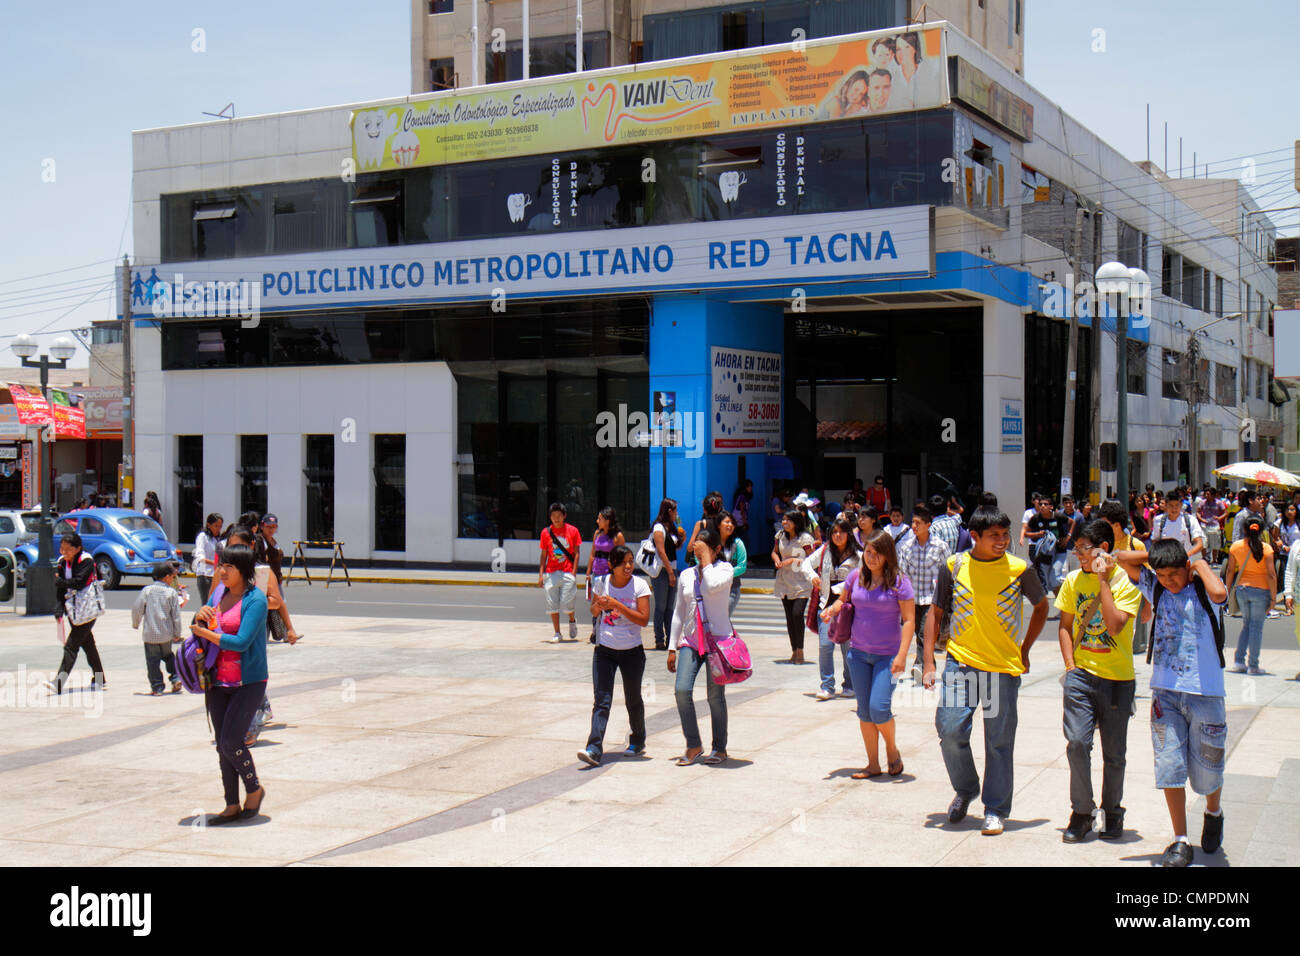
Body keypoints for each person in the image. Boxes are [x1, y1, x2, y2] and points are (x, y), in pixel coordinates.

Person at [922, 503, 1050, 836]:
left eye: (1005, 534)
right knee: (949, 730)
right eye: (994, 535)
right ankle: (965, 789)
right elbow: (935, 613)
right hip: (960, 663)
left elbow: (1041, 607)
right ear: (974, 536)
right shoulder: (955, 565)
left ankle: (995, 809)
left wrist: (1024, 650)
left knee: (999, 742)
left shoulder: (1020, 569)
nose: (1002, 541)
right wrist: (928, 660)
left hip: (1002, 670)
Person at [1112, 539, 1228, 867]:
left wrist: (1196, 562)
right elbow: (1121, 558)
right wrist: (1163, 557)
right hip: (1165, 695)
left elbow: (1220, 594)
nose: (1167, 581)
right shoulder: (1157, 589)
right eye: (1160, 575)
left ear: (1188, 570)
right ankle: (1180, 840)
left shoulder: (1204, 590)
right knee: (1169, 766)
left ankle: (1213, 811)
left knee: (1207, 771)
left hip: (1206, 695)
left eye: (1174, 574)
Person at [1054, 520, 1143, 843]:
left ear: (1103, 550)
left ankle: (1112, 811)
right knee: (1077, 743)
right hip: (1082, 676)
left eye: (1083, 548)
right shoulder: (1073, 581)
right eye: (1076, 548)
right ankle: (1081, 811)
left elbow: (1116, 626)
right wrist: (1070, 665)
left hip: (1118, 680)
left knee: (1114, 754)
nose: (1077, 554)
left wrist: (1104, 581)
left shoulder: (1127, 585)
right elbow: (1064, 625)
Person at [824, 529, 915, 778]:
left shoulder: (899, 582)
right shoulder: (856, 577)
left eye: (877, 554)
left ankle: (892, 749)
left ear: (887, 555)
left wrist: (902, 655)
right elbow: (843, 601)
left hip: (887, 657)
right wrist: (831, 610)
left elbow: (908, 621)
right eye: (869, 553)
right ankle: (873, 765)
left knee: (879, 709)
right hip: (859, 655)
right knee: (864, 713)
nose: (871, 558)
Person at [189, 543, 269, 824]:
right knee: (221, 745)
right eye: (220, 565)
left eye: (229, 566)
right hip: (217, 681)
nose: (221, 571)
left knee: (231, 741)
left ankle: (255, 789)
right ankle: (231, 804)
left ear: (244, 571)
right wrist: (199, 616)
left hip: (248, 681)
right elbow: (201, 622)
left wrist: (205, 633)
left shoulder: (255, 600)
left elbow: (242, 642)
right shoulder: (218, 594)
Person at [578, 544, 651, 767]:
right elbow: (592, 611)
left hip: (632, 651)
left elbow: (643, 619)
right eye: (623, 563)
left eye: (631, 562)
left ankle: (638, 740)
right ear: (612, 565)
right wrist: (599, 607)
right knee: (602, 700)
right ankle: (594, 748)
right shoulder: (602, 583)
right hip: (605, 651)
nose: (628, 566)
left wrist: (617, 604)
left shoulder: (640, 585)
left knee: (633, 699)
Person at [668, 528, 734, 766]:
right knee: (682, 690)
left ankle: (720, 748)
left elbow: (713, 585)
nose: (699, 552)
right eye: (697, 547)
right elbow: (678, 612)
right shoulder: (686, 575)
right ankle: (694, 743)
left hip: (718, 642)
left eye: (704, 547)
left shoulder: (724, 570)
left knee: (715, 696)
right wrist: (672, 647)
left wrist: (706, 559)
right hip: (691, 641)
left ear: (717, 549)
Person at [802, 517, 860, 700]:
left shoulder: (858, 555)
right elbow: (805, 564)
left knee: (847, 648)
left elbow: (860, 580)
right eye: (834, 532)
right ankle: (827, 686)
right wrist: (812, 577)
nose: (837, 535)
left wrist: (838, 589)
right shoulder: (825, 550)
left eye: (841, 532)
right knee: (825, 646)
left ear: (848, 534)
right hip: (825, 606)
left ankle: (850, 685)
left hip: (847, 608)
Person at [46, 532, 106, 695]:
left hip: (88, 608)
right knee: (88, 645)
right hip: (73, 609)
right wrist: (58, 607)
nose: (63, 552)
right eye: (61, 548)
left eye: (67, 549)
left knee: (71, 646)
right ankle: (100, 679)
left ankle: (58, 682)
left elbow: (79, 582)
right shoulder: (61, 562)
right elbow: (61, 588)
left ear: (78, 548)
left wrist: (61, 582)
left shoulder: (86, 560)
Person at [898, 502, 951, 680]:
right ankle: (929, 665)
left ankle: (921, 667)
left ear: (928, 525)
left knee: (924, 633)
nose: (914, 526)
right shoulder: (906, 547)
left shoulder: (940, 547)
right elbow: (902, 574)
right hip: (912, 600)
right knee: (919, 634)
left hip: (932, 599)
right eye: (913, 522)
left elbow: (948, 572)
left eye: (918, 523)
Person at [1223, 516, 1275, 675]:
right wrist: (1273, 598)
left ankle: (1239, 661)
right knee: (1256, 628)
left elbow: (1230, 570)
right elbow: (1271, 574)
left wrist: (1228, 589)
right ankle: (1253, 665)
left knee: (1246, 624)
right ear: (1261, 530)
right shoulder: (1266, 548)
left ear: (1244, 529)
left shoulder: (1236, 547)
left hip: (1242, 589)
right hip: (1261, 590)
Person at [132, 560, 185, 696]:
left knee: (152, 661)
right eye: (172, 577)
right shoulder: (171, 593)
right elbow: (176, 616)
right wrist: (177, 633)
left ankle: (157, 687)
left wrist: (136, 623)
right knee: (168, 656)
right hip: (166, 634)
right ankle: (175, 678)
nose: (173, 580)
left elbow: (137, 608)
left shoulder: (147, 591)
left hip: (150, 634)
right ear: (166, 577)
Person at [772, 509, 815, 665]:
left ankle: (801, 650)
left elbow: (812, 559)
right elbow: (775, 552)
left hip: (801, 581)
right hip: (784, 580)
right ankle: (794, 651)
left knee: (797, 614)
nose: (785, 523)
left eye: (788, 520)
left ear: (796, 522)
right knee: (790, 617)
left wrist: (793, 560)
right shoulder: (780, 536)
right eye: (783, 519)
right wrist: (777, 559)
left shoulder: (805, 538)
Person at [538, 501, 583, 644]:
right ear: (550, 517)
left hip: (567, 571)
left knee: (567, 603)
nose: (556, 518)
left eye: (559, 515)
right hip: (551, 571)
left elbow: (576, 553)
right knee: (552, 605)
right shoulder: (546, 533)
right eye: (553, 516)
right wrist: (541, 574)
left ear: (564, 516)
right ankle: (557, 632)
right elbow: (543, 555)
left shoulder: (573, 531)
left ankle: (571, 620)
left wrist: (574, 572)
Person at [585, 507, 625, 644]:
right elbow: (592, 554)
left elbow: (622, 556)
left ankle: (609, 628)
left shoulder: (617, 536)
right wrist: (588, 572)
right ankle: (595, 630)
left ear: (607, 521)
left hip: (609, 573)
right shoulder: (597, 533)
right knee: (596, 602)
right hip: (597, 572)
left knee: (607, 602)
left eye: (600, 519)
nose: (597, 521)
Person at [650, 498, 684, 651]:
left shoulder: (672, 527)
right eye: (675, 510)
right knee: (661, 606)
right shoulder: (658, 527)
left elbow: (674, 549)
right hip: (662, 570)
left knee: (670, 606)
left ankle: (671, 638)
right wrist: (670, 572)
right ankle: (659, 639)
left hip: (672, 568)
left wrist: (682, 538)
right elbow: (661, 551)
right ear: (669, 511)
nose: (676, 513)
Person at [1150, 491, 1205, 560]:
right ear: (1166, 505)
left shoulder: (1190, 520)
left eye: (1177, 505)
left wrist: (1186, 555)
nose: (1174, 509)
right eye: (1171, 505)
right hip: (1165, 562)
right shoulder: (1159, 520)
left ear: (1181, 505)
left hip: (1185, 562)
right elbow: (1155, 540)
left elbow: (1199, 544)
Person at [713, 509, 747, 617]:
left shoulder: (737, 543)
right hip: (713, 588)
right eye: (727, 522)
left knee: (724, 617)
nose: (730, 525)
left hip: (731, 588)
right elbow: (698, 558)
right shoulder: (711, 542)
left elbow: (742, 566)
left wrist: (725, 574)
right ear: (719, 525)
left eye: (732, 523)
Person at [685, 491, 725, 564]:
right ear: (719, 509)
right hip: (719, 561)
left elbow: (690, 547)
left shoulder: (700, 524)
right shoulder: (723, 524)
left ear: (704, 510)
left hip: (703, 562)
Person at [192, 513, 223, 606]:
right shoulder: (203, 536)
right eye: (216, 526)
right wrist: (214, 563)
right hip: (205, 574)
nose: (218, 529)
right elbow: (200, 556)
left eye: (220, 526)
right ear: (208, 525)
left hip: (215, 574)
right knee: (207, 604)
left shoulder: (217, 539)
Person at [1271, 502, 1299, 594]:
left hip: (1296, 552)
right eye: (1287, 509)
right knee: (1283, 573)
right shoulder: (1280, 522)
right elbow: (1275, 536)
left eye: (1292, 509)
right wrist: (1281, 544)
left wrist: (1293, 547)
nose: (1289, 512)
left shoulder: (1298, 523)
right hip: (1284, 553)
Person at [731, 479, 753, 549]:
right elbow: (742, 510)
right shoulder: (742, 497)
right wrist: (745, 522)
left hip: (739, 522)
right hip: (740, 522)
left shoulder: (744, 497)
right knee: (745, 540)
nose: (750, 488)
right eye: (748, 486)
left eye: (751, 486)